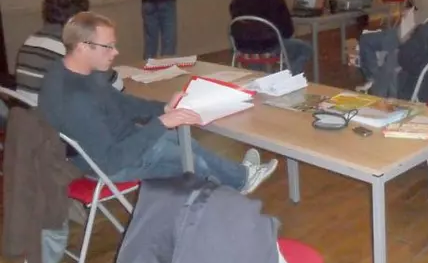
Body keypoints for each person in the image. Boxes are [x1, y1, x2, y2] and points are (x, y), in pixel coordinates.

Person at [38, 12, 277, 194]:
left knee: (180, 139)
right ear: (82, 47)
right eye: (108, 46)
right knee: (191, 158)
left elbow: (121, 102)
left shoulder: (73, 70)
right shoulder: (75, 98)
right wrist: (160, 123)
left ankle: (239, 175)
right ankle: (239, 183)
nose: (115, 52)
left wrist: (161, 110)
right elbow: (111, 161)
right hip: (108, 164)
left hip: (118, 143)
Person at [15, 0, 122, 106]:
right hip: (52, 120)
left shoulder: (30, 40)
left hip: (27, 116)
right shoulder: (70, 46)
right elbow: (116, 86)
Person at [228, 0, 312, 75]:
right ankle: (288, 78)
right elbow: (287, 31)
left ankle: (259, 77)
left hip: (242, 47)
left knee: (255, 44)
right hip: (269, 47)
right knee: (305, 48)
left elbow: (238, 24)